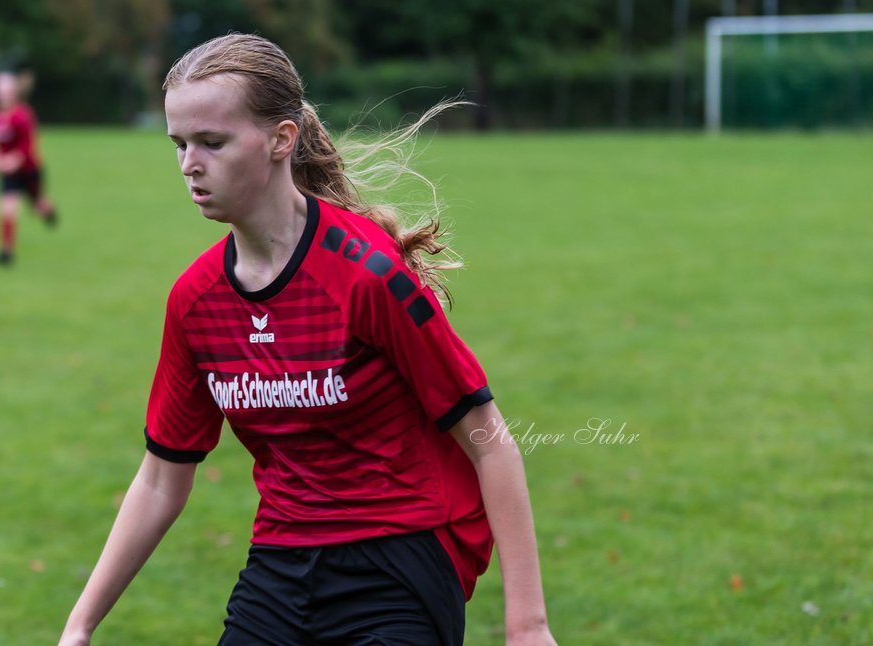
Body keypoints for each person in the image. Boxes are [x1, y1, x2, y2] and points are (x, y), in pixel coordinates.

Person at [60, 34, 555, 646]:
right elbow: (162, 478)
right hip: (282, 560)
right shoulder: (196, 301)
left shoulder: (367, 275)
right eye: (179, 144)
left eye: (212, 142)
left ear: (281, 139)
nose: (190, 163)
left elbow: (489, 442)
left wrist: (527, 626)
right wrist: (79, 627)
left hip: (401, 556)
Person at [0, 70, 56, 265]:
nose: (1, 94)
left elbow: (28, 146)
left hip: (29, 171)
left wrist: (11, 160)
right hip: (9, 175)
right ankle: (6, 252)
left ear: (13, 92)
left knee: (36, 208)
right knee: (7, 209)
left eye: (5, 90)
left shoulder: (23, 115)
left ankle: (48, 210)